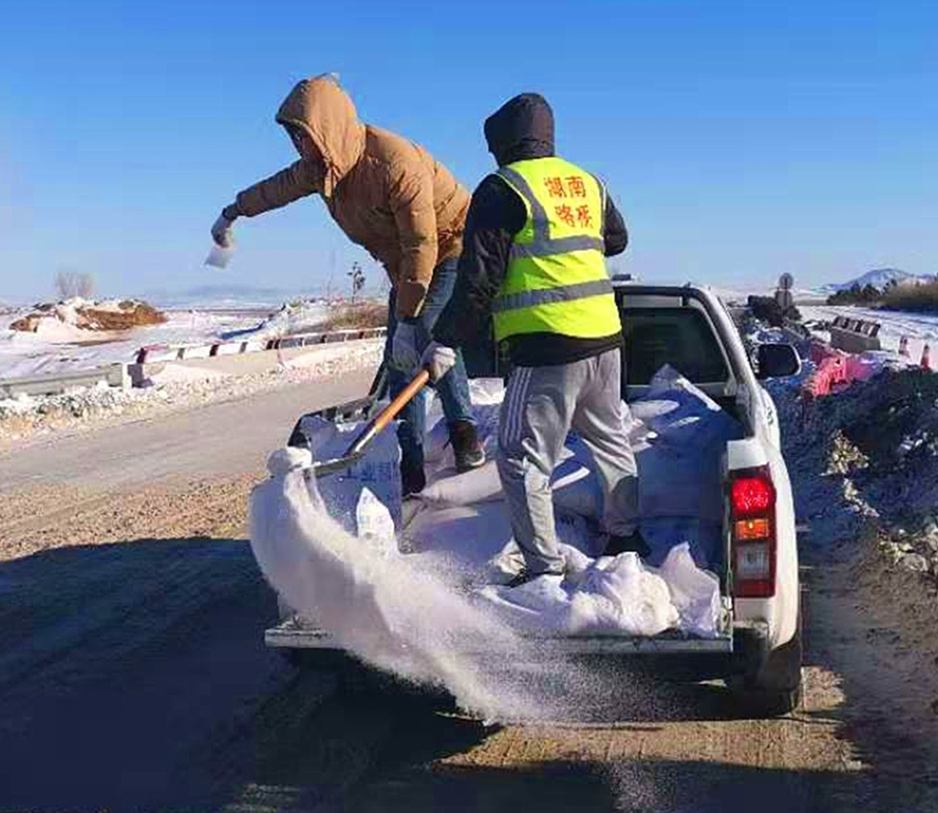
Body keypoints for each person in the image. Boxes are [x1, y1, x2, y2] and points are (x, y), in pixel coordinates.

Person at [211, 74, 484, 495]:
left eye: (303, 136)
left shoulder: (394, 163)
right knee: (400, 358)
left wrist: (409, 317)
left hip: (451, 241)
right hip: (403, 261)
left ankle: (464, 432)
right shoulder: (323, 170)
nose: (300, 147)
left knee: (428, 328)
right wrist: (233, 211)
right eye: (295, 139)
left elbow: (422, 242)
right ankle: (409, 463)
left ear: (328, 127)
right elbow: (276, 189)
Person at [426, 91, 641, 586]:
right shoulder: (588, 183)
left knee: (521, 459)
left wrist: (444, 340)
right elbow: (617, 241)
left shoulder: (502, 188)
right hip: (605, 339)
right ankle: (626, 536)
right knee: (611, 442)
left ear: (502, 142)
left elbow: (478, 280)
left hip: (547, 346)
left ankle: (543, 567)